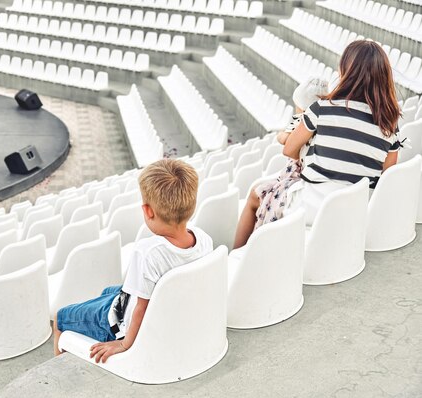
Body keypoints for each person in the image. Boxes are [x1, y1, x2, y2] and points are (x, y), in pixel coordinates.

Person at [234, 40, 401, 248]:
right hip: (356, 213)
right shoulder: (390, 124)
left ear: (345, 71)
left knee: (254, 196)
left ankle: (238, 255)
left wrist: (301, 116)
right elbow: (387, 175)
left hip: (311, 207)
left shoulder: (322, 109)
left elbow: (289, 150)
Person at [53, 159, 213, 363]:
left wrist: (124, 344)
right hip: (161, 312)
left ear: (148, 211)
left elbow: (142, 308)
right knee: (107, 292)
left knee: (60, 318)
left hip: (118, 324)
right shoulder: (204, 240)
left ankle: (61, 370)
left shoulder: (147, 252)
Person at [253, 77, 329, 231]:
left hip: (298, 173)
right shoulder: (326, 119)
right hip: (309, 173)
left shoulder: (303, 121)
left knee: (262, 196)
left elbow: (284, 142)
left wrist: (285, 133)